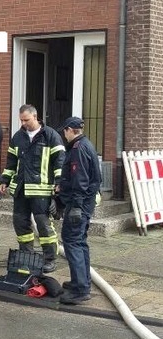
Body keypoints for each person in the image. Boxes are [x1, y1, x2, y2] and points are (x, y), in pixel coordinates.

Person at [0, 105, 65, 273]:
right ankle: (27, 256)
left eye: (26, 120)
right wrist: (5, 179)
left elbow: (59, 161)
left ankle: (49, 259)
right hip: (21, 189)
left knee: (43, 226)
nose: (23, 123)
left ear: (36, 117)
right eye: (21, 120)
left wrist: (59, 182)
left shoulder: (50, 136)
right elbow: (11, 161)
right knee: (20, 224)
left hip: (41, 191)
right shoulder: (18, 137)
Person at [56, 117, 102, 305]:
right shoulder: (86, 145)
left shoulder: (78, 149)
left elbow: (80, 180)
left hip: (79, 205)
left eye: (64, 131)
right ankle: (81, 282)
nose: (64, 135)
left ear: (69, 130)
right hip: (84, 203)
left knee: (72, 242)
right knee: (80, 242)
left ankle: (80, 289)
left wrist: (75, 205)